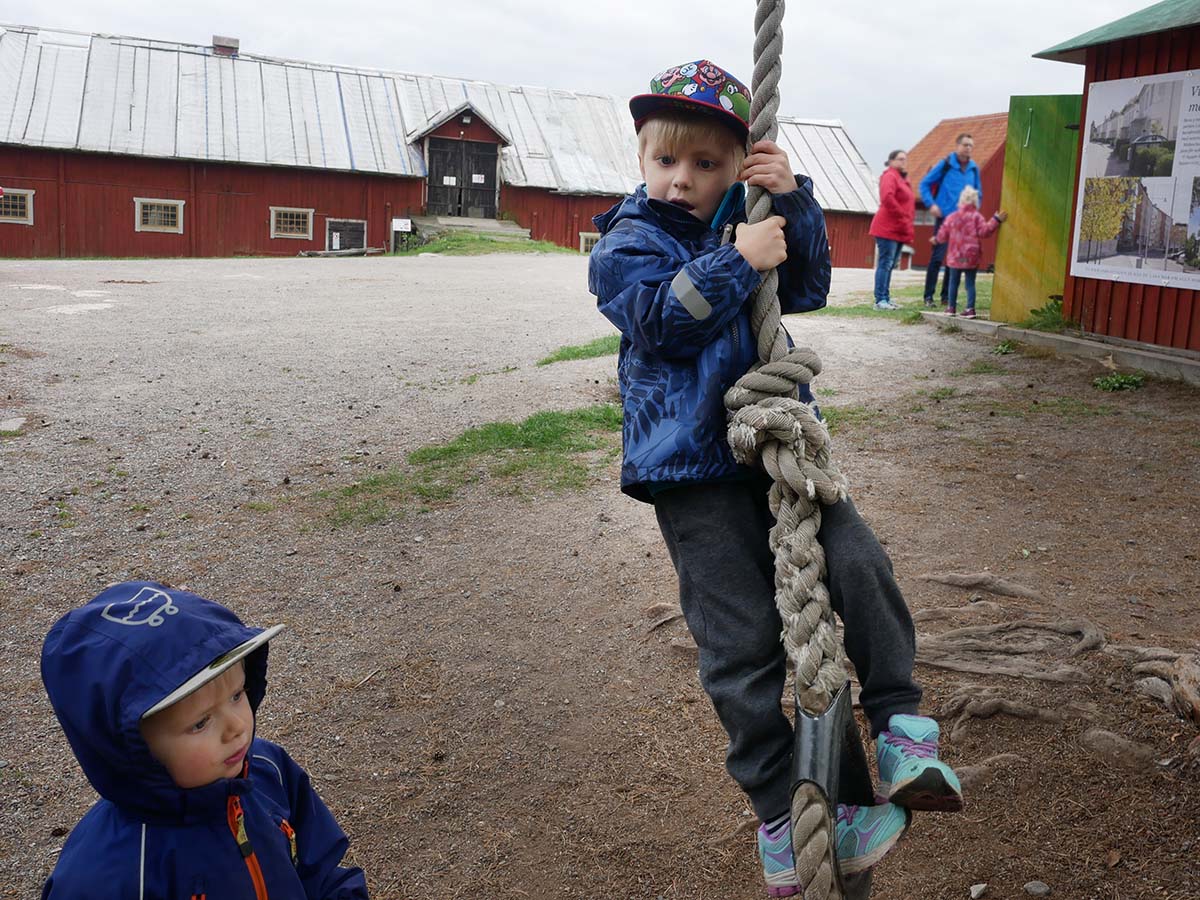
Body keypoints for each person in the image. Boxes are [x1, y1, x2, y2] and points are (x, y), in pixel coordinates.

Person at [588, 60, 963, 898]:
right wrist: (735, 261)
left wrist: (787, 203)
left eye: (707, 165)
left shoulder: (748, 222)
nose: (683, 180)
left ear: (735, 168)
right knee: (741, 648)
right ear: (643, 161)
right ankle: (780, 819)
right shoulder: (625, 242)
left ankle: (902, 726)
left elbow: (809, 286)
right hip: (691, 474)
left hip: (781, 454)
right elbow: (658, 322)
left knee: (861, 563)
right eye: (666, 162)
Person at [40, 581, 369, 899]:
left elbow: (320, 868)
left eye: (237, 695)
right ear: (132, 750)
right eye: (200, 723)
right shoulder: (109, 877)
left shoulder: (268, 769)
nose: (236, 727)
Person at [919, 133, 982, 308]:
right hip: (945, 218)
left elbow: (979, 193)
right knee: (938, 257)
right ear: (957, 146)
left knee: (953, 260)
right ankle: (928, 296)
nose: (968, 148)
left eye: (971, 145)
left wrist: (974, 213)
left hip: (963, 223)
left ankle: (946, 296)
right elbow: (924, 184)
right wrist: (931, 205)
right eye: (965, 144)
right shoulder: (946, 164)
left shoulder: (974, 168)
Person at [932, 186, 1007, 318]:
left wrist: (936, 239)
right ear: (975, 201)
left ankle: (951, 308)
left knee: (953, 282)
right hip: (971, 256)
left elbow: (943, 235)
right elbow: (985, 231)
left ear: (961, 200)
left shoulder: (952, 217)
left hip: (956, 256)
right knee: (970, 283)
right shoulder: (976, 217)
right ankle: (970, 309)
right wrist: (996, 220)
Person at [868, 149, 915, 310]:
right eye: (900, 159)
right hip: (887, 227)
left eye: (905, 159)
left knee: (891, 264)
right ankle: (880, 300)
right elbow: (887, 198)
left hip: (899, 228)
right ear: (891, 161)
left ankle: (886, 298)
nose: (903, 162)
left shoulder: (902, 178)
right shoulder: (890, 176)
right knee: (885, 263)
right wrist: (902, 215)